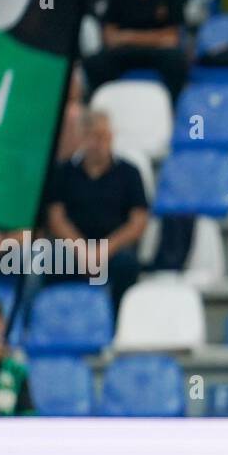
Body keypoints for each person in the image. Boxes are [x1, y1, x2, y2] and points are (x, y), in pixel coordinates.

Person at [45, 109, 150, 309]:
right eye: (91, 137)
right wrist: (82, 250)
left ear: (111, 137)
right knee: (48, 260)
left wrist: (105, 249)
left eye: (102, 137)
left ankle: (119, 317)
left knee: (127, 265)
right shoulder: (64, 172)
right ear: (81, 139)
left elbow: (138, 221)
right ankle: (58, 315)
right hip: (74, 248)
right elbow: (56, 217)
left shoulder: (129, 172)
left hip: (114, 249)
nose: (97, 143)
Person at [83, 0, 188, 101]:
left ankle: (172, 106)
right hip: (125, 52)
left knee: (177, 61)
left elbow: (172, 38)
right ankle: (102, 103)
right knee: (95, 63)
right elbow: (109, 37)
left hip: (156, 52)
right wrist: (154, 37)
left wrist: (129, 36)